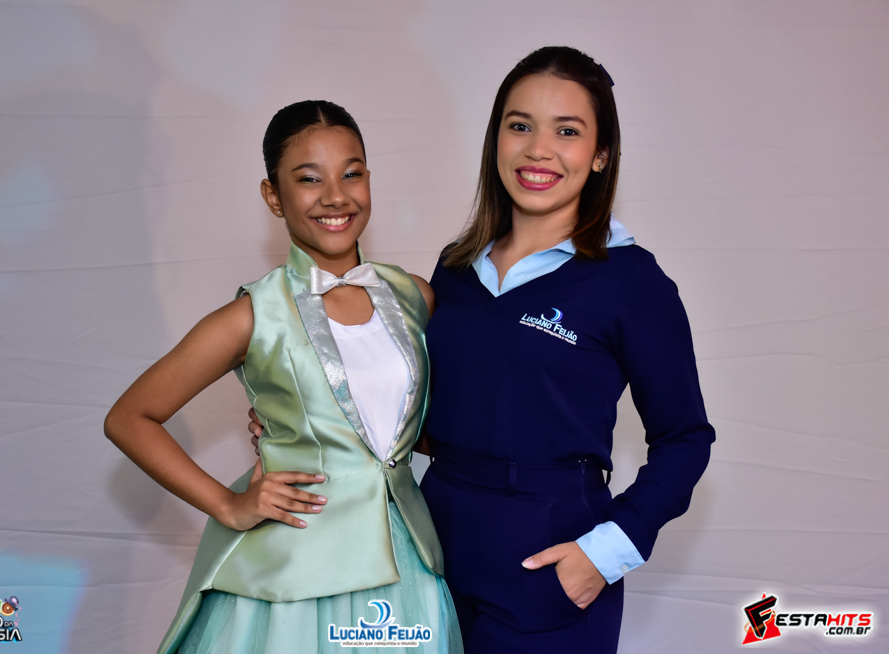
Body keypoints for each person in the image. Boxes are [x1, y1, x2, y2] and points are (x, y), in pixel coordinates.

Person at [245, 46, 715, 653]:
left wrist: (605, 553)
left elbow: (685, 439)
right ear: (497, 139)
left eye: (567, 131)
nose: (538, 149)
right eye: (520, 126)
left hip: (550, 558)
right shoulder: (457, 268)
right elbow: (435, 414)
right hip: (430, 545)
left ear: (601, 154)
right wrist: (309, 418)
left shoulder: (631, 282)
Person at [105, 100, 463, 654]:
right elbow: (130, 417)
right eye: (309, 179)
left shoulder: (414, 295)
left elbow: (416, 426)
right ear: (273, 196)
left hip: (406, 562)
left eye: (351, 174)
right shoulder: (253, 314)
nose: (335, 196)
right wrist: (228, 505)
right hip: (294, 571)